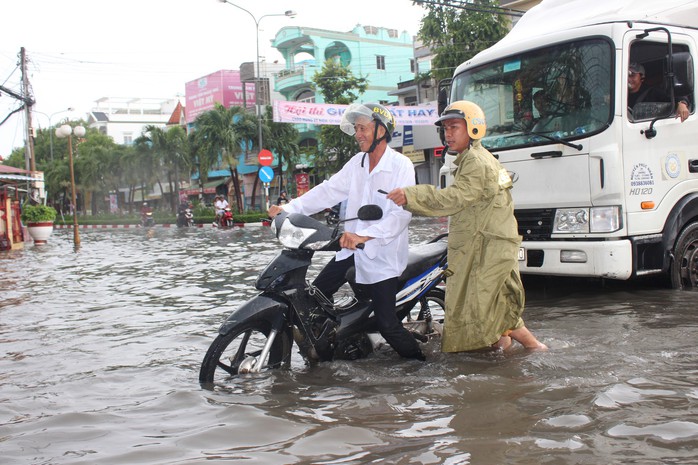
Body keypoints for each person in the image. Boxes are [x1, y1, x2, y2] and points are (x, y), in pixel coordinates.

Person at [268, 102, 425, 361]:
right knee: (313, 299)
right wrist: (288, 208)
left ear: (382, 131)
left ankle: (421, 366)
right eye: (356, 129)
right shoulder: (357, 163)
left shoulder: (401, 165)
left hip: (381, 255)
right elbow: (327, 191)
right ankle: (335, 347)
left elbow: (401, 215)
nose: (358, 134)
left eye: (363, 128)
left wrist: (366, 235)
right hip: (350, 249)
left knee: (388, 326)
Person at [386, 100, 547, 353]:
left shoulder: (475, 162)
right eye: (445, 129)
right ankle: (509, 356)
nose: (448, 134)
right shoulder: (474, 158)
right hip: (487, 246)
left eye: (454, 127)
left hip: (487, 249)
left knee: (483, 307)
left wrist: (411, 196)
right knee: (494, 305)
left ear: (473, 129)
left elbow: (455, 198)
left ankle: (534, 348)